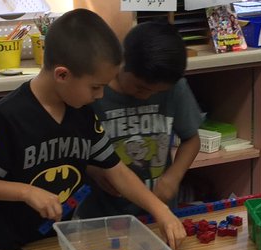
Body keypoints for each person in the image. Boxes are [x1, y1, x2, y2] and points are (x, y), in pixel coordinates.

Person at [0, 8, 185, 250]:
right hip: (2, 247)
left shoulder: (82, 112)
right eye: (95, 87)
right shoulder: (6, 117)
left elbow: (116, 170)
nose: (100, 95)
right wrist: (26, 192)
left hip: (52, 241)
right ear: (62, 75)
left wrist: (161, 210)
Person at [76, 21, 202, 218]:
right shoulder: (94, 92)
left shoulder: (176, 88)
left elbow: (191, 140)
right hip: (102, 214)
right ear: (122, 61)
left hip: (156, 212)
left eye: (157, 92)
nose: (145, 96)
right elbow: (72, 151)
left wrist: (173, 177)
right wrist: (93, 171)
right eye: (140, 87)